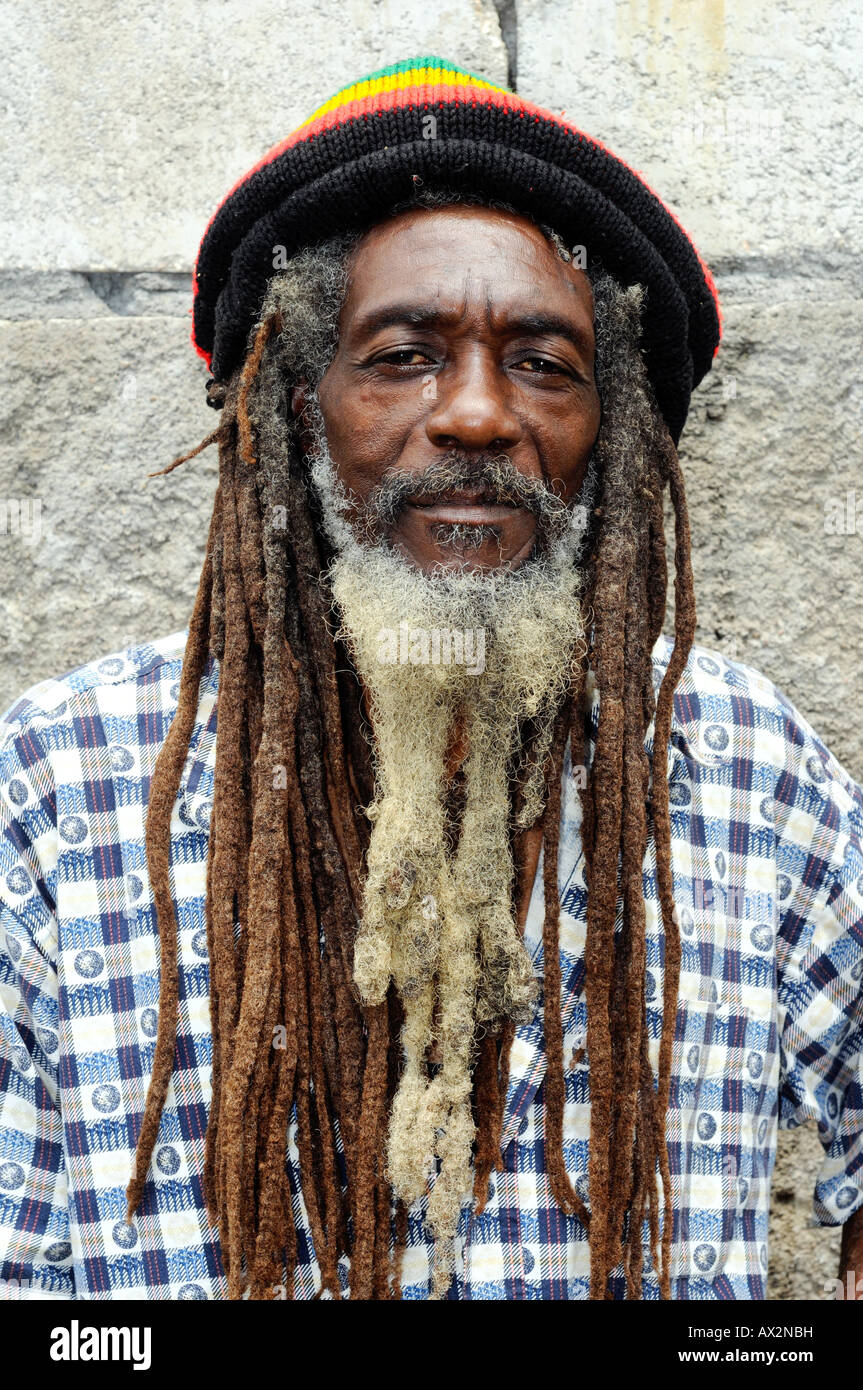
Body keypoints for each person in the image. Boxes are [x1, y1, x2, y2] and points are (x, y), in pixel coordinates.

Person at [1, 57, 860, 1302]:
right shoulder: (57, 790)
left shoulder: (740, 761)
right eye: (401, 355)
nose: (472, 415)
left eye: (543, 363)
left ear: (605, 435)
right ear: (295, 408)